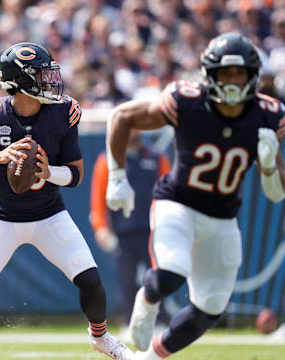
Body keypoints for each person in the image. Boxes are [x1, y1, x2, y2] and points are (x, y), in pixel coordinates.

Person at [0, 42, 133, 360]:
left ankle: (101, 339)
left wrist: (49, 172)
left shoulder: (64, 111)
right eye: (41, 74)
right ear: (20, 81)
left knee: (91, 280)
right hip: (2, 219)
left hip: (50, 214)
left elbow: (76, 174)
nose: (51, 80)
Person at [105, 32, 285, 359]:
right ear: (210, 74)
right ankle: (146, 298)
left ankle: (149, 358)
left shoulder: (268, 114)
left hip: (223, 217)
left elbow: (276, 194)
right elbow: (122, 116)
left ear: (252, 76)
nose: (232, 81)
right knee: (171, 271)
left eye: (239, 73)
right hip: (178, 204)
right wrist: (117, 177)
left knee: (211, 307)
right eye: (226, 73)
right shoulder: (187, 100)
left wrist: (270, 165)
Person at [90, 129, 171, 330]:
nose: (132, 131)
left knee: (157, 278)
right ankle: (128, 322)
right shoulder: (107, 159)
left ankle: (159, 322)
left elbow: (170, 193)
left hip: (153, 230)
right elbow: (98, 197)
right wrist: (101, 228)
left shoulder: (156, 156)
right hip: (123, 231)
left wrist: (169, 225)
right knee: (126, 281)